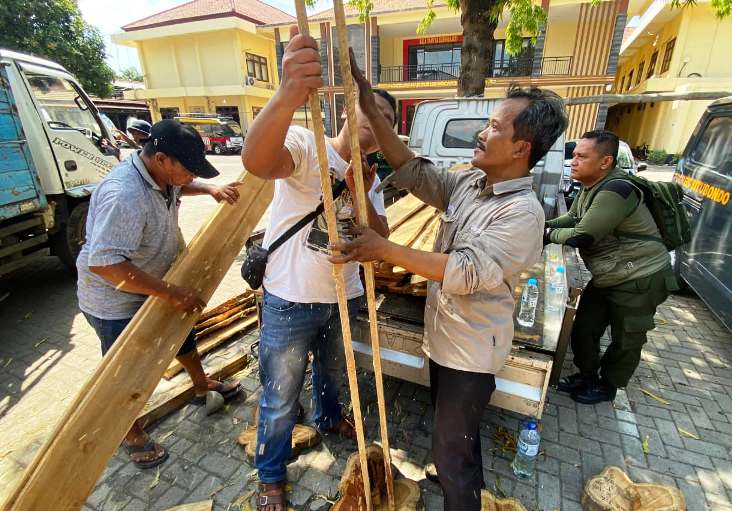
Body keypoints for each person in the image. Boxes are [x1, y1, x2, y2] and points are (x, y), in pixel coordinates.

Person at [331, 55, 568, 511]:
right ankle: (462, 483)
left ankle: (462, 496)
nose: (482, 132)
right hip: (448, 340)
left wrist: (383, 249)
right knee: (457, 440)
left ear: (522, 147)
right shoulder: (471, 184)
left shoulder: (521, 213)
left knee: (449, 452)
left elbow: (465, 272)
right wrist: (372, 109)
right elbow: (414, 171)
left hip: (471, 352)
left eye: (496, 126)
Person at [240, 27, 397, 511]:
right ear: (348, 109)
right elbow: (257, 160)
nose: (375, 120)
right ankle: (270, 477)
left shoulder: (371, 175)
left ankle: (330, 419)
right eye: (370, 109)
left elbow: (383, 236)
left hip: (344, 296)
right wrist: (288, 90)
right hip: (290, 298)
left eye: (386, 117)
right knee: (281, 395)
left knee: (333, 374)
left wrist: (365, 194)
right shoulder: (309, 143)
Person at [76, 120, 244, 469]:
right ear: (162, 158)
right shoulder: (124, 195)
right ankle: (129, 432)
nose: (188, 176)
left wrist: (209, 188)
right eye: (186, 169)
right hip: (115, 298)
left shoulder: (162, 176)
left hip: (154, 284)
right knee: (126, 370)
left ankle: (201, 386)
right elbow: (105, 265)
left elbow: (180, 186)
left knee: (183, 337)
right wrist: (170, 291)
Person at [546, 130, 676, 404]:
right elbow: (571, 218)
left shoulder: (617, 190)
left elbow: (583, 234)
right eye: (574, 156)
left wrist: (545, 236)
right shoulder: (591, 186)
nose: (573, 162)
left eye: (582, 156)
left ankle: (608, 386)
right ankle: (588, 375)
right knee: (584, 327)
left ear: (605, 162)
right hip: (611, 274)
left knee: (627, 336)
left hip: (641, 276)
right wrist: (541, 226)